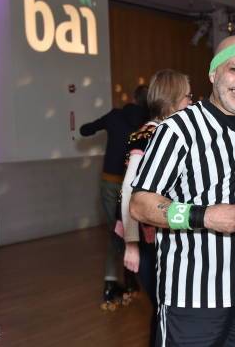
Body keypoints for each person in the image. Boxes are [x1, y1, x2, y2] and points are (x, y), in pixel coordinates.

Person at [130, 35, 235, 346]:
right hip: (192, 300)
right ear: (213, 74)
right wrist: (203, 216)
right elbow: (140, 204)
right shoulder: (177, 131)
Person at [117, 69, 192, 345]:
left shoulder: (172, 131)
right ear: (172, 99)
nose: (192, 103)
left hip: (168, 234)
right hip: (152, 239)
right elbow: (128, 192)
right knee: (164, 310)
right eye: (187, 97)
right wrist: (132, 243)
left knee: (168, 309)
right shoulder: (150, 134)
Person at [80, 85, 149, 306]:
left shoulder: (114, 116)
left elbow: (85, 130)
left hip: (110, 183)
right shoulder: (149, 123)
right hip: (135, 187)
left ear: (131, 98)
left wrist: (87, 127)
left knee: (116, 233)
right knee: (135, 233)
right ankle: (131, 281)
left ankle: (111, 285)